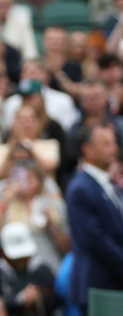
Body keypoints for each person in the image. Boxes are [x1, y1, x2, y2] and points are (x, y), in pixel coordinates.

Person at [65, 125, 123, 314]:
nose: (113, 149)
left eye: (113, 143)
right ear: (87, 150)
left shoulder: (111, 185)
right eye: (106, 144)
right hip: (99, 286)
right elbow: (96, 241)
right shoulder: (80, 188)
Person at [0, 222, 58, 316]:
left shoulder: (42, 269)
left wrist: (39, 297)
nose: (20, 260)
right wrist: (19, 300)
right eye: (16, 257)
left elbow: (56, 300)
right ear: (3, 252)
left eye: (24, 256)